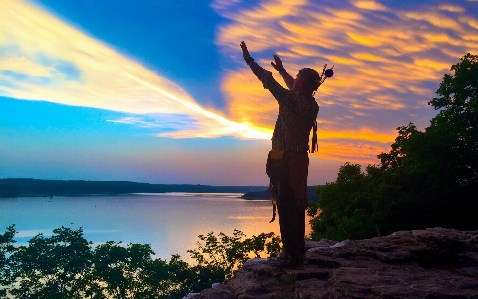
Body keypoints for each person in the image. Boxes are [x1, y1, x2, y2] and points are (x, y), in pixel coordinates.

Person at [240, 41, 322, 268]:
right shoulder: (310, 103)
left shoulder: (292, 100)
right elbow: (292, 85)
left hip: (287, 161)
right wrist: (283, 70)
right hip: (294, 160)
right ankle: (296, 252)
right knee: (294, 206)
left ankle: (293, 257)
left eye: (296, 78)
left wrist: (249, 61)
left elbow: (267, 80)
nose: (293, 81)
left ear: (302, 83)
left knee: (287, 206)